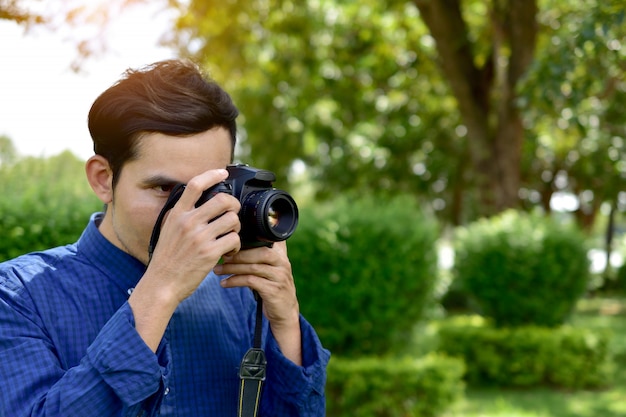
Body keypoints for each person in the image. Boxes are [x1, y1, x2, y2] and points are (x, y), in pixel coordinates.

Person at [0, 59, 330, 416]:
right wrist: (161, 288)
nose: (186, 215)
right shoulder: (17, 296)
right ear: (102, 178)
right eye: (165, 188)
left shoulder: (239, 290)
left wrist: (285, 323)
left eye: (207, 189)